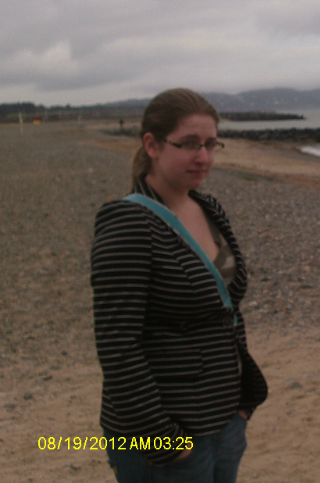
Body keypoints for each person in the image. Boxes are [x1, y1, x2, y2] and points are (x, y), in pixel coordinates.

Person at [91, 88, 267, 483]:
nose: (202, 157)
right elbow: (117, 342)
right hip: (166, 434)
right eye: (188, 144)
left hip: (225, 418)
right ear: (151, 145)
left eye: (209, 144)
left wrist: (242, 404)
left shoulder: (208, 208)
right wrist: (161, 438)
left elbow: (228, 309)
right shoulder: (128, 223)